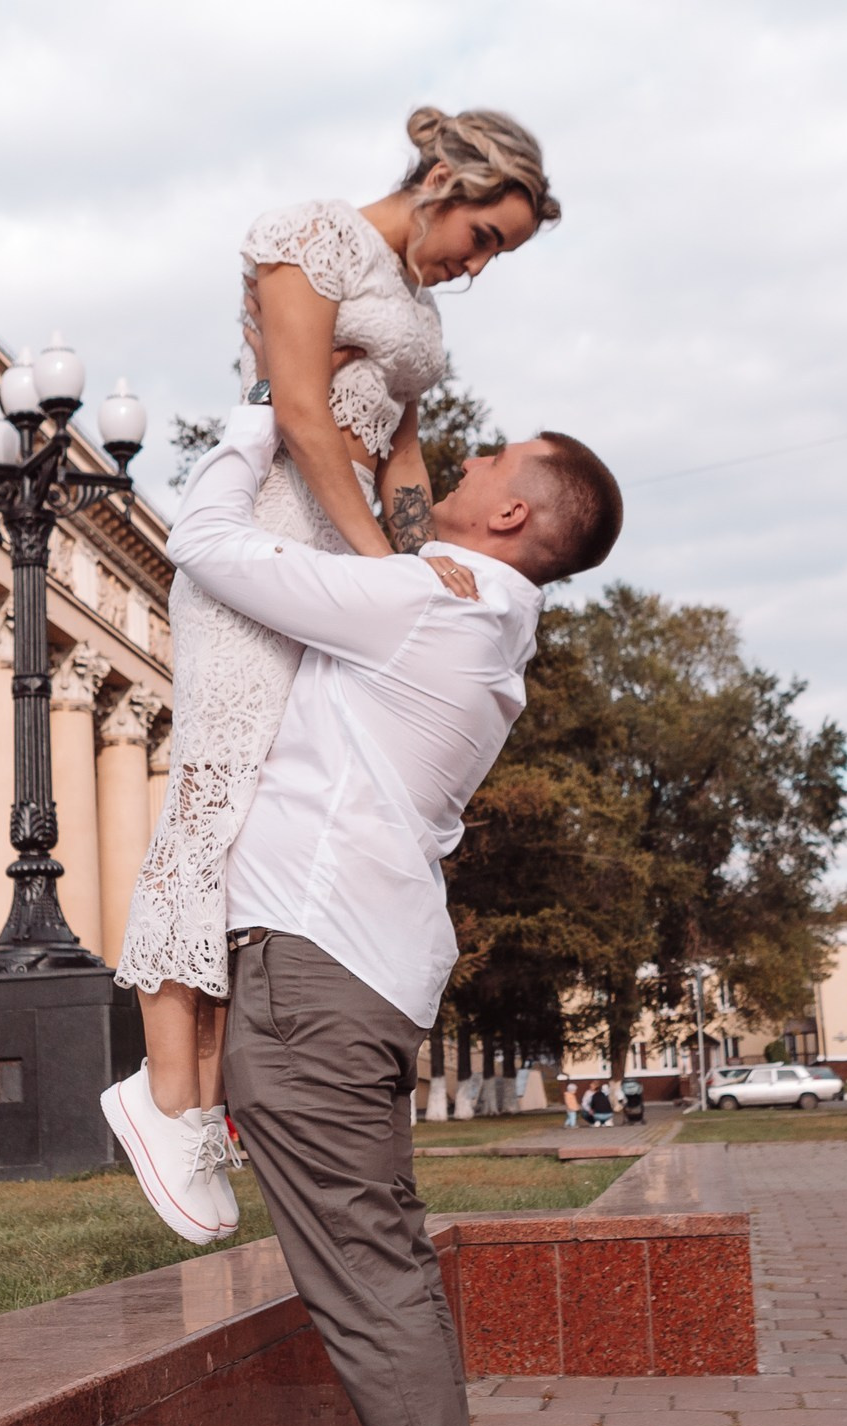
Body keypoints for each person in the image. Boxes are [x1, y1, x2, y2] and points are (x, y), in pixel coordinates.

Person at [163, 397, 623, 1426]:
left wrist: (269, 424)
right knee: (382, 1275)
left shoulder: (431, 604)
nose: (457, 471)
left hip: (313, 970)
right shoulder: (471, 608)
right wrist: (397, 426)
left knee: (367, 1286)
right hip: (351, 964)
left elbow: (209, 544)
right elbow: (402, 524)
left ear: (516, 513)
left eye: (483, 464)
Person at [102, 108, 561, 1246]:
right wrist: (382, 575)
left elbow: (400, 450)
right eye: (488, 236)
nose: (481, 264)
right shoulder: (305, 234)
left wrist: (418, 566)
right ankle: (165, 1100)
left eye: (501, 251)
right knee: (215, 784)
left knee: (266, 798)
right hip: (265, 537)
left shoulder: (413, 309)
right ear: (444, 179)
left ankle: (202, 1101)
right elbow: (301, 415)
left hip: (345, 559)